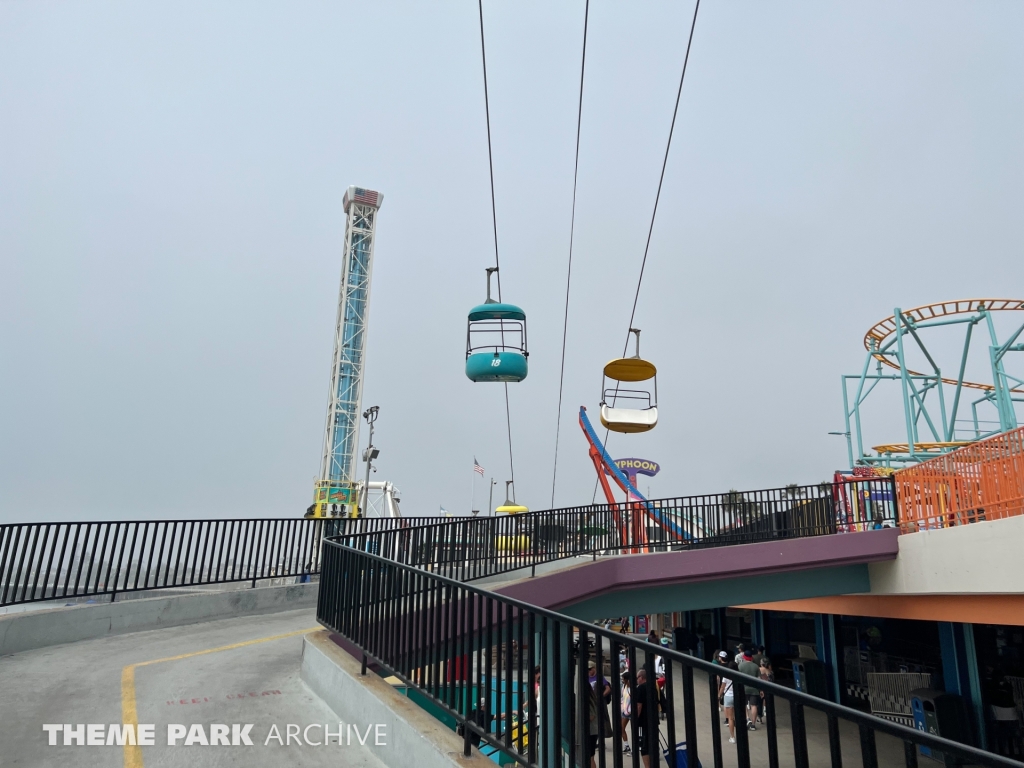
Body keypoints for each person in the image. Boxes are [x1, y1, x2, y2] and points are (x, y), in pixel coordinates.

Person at [634, 668, 654, 768]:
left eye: (637, 677)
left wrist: (635, 720)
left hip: (644, 721)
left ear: (641, 677)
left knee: (644, 747)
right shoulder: (653, 686)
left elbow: (639, 706)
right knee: (651, 745)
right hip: (654, 720)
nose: (637, 680)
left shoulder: (641, 688)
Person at [737, 647, 761, 730]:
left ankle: (747, 718)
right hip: (754, 689)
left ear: (744, 657)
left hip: (743, 688)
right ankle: (753, 724)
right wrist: (761, 690)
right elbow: (759, 679)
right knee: (754, 705)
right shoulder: (756, 667)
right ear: (751, 657)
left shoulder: (740, 666)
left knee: (743, 704)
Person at [718, 659, 739, 744]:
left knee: (730, 718)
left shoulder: (726, 676)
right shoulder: (739, 675)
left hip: (728, 696)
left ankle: (732, 737)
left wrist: (719, 695)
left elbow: (722, 687)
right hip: (737, 696)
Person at [655, 637, 669, 720]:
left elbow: (663, 668)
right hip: (660, 678)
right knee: (660, 694)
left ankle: (661, 711)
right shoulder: (662, 657)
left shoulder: (661, 657)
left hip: (660, 678)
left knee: (659, 695)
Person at [757, 657, 774, 725]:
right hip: (769, 689)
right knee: (769, 704)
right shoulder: (770, 671)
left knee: (759, 703)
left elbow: (758, 679)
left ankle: (759, 717)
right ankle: (771, 719)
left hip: (761, 689)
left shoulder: (759, 670)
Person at [619, 672, 633, 754]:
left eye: (623, 679)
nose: (622, 680)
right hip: (625, 711)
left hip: (631, 711)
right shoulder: (624, 687)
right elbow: (622, 698)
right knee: (621, 728)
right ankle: (626, 745)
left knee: (634, 730)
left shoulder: (634, 688)